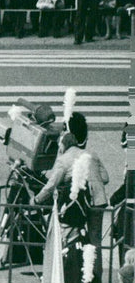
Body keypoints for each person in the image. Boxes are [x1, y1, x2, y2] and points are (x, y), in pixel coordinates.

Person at [34, 103, 109, 247]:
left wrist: (37, 199)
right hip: (99, 201)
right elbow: (105, 178)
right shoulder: (91, 154)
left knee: (70, 236)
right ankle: (94, 269)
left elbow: (51, 184)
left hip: (78, 201)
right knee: (95, 241)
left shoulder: (64, 159)